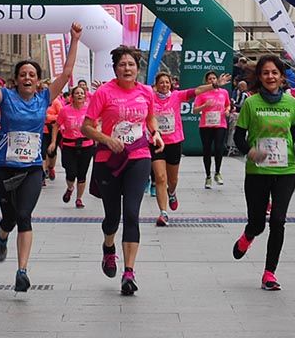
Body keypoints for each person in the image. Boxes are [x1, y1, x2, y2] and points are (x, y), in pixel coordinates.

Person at [0, 24, 82, 292]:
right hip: (4, 169)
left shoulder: (44, 98)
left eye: (32, 74)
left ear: (38, 80)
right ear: (16, 79)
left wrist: (74, 40)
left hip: (31, 170)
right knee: (9, 218)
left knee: (24, 216)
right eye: (23, 74)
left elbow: (67, 72)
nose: (27, 77)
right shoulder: (6, 97)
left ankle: (22, 271)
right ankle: (2, 236)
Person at [82, 46, 165, 296]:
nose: (127, 68)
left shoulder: (146, 92)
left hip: (138, 156)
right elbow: (86, 127)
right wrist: (106, 139)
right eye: (122, 65)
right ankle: (109, 248)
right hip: (108, 159)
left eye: (131, 64)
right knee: (111, 218)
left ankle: (129, 273)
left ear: (137, 68)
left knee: (131, 213)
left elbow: (150, 118)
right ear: (115, 68)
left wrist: (156, 133)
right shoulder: (104, 93)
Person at [231, 55, 295, 290]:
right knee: (258, 223)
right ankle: (248, 235)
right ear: (260, 77)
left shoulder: (291, 104)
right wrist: (250, 152)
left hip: (286, 170)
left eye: (275, 73)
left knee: (278, 220)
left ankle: (269, 273)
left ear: (282, 77)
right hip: (257, 172)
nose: (270, 77)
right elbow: (238, 137)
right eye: (266, 73)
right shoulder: (251, 104)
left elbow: (293, 131)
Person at [149, 71, 231, 226]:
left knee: (172, 180)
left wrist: (214, 85)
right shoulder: (150, 98)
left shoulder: (177, 96)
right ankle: (163, 213)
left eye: (167, 82)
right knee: (160, 177)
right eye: (161, 83)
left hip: (174, 141)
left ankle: (172, 192)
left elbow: (197, 90)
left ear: (171, 84)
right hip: (156, 142)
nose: (164, 85)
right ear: (156, 85)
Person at [49, 85, 93, 208]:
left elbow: (95, 124)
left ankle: (79, 199)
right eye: (77, 93)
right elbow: (56, 126)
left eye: (82, 93)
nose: (79, 95)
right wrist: (53, 142)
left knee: (82, 174)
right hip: (69, 145)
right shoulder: (65, 110)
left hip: (86, 145)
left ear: (85, 96)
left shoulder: (89, 110)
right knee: (71, 172)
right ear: (72, 96)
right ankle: (70, 188)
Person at [193, 71, 230, 188]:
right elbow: (194, 110)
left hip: (220, 124)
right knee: (207, 150)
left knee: (219, 148)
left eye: (214, 78)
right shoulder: (202, 93)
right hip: (206, 125)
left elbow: (228, 105)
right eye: (210, 79)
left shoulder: (224, 92)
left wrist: (228, 110)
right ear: (206, 81)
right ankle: (208, 176)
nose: (213, 80)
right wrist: (204, 106)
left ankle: (217, 172)